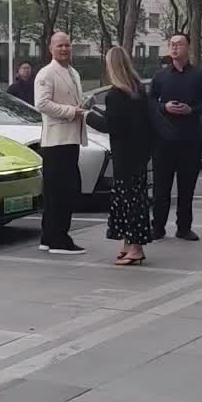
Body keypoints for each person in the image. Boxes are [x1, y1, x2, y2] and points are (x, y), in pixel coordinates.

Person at [88, 45, 152, 266]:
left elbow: (111, 126)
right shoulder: (137, 89)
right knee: (134, 198)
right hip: (140, 153)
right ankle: (128, 243)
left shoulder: (115, 94)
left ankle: (135, 248)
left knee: (129, 201)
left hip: (125, 155)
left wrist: (86, 116)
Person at [149, 34, 202, 241]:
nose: (175, 48)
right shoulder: (160, 76)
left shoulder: (199, 76)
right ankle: (158, 226)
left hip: (190, 139)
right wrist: (164, 107)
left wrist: (191, 110)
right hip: (163, 140)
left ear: (188, 47)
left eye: (179, 44)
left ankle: (184, 227)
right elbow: (149, 102)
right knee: (161, 187)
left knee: (187, 187)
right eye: (172, 44)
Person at [34, 32, 87, 254]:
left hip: (71, 138)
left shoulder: (73, 72)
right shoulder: (46, 73)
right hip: (56, 142)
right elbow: (42, 103)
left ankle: (49, 236)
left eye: (67, 45)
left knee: (63, 190)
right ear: (51, 49)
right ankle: (58, 239)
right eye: (60, 46)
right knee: (60, 192)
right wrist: (71, 111)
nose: (64, 49)